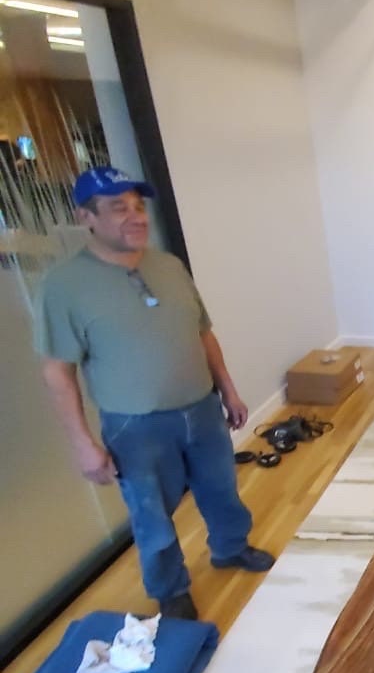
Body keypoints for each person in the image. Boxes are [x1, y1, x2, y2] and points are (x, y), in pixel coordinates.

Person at [34, 166, 274, 621]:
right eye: (118, 208)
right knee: (152, 517)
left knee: (221, 490)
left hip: (201, 407)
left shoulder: (167, 265)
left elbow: (202, 333)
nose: (135, 216)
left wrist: (229, 390)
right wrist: (84, 444)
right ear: (85, 216)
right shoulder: (64, 286)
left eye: (138, 206)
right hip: (135, 425)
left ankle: (230, 548)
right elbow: (56, 372)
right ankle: (170, 590)